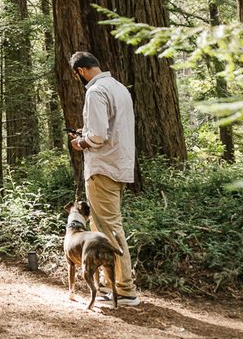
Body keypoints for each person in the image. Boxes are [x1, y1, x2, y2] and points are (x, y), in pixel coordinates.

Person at [69, 51, 140, 307]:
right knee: (105, 228)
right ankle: (115, 287)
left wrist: (80, 141)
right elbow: (111, 129)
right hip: (118, 165)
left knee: (108, 230)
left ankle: (125, 289)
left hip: (102, 169)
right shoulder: (119, 88)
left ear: (80, 71)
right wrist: (86, 133)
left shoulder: (95, 91)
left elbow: (98, 136)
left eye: (77, 75)